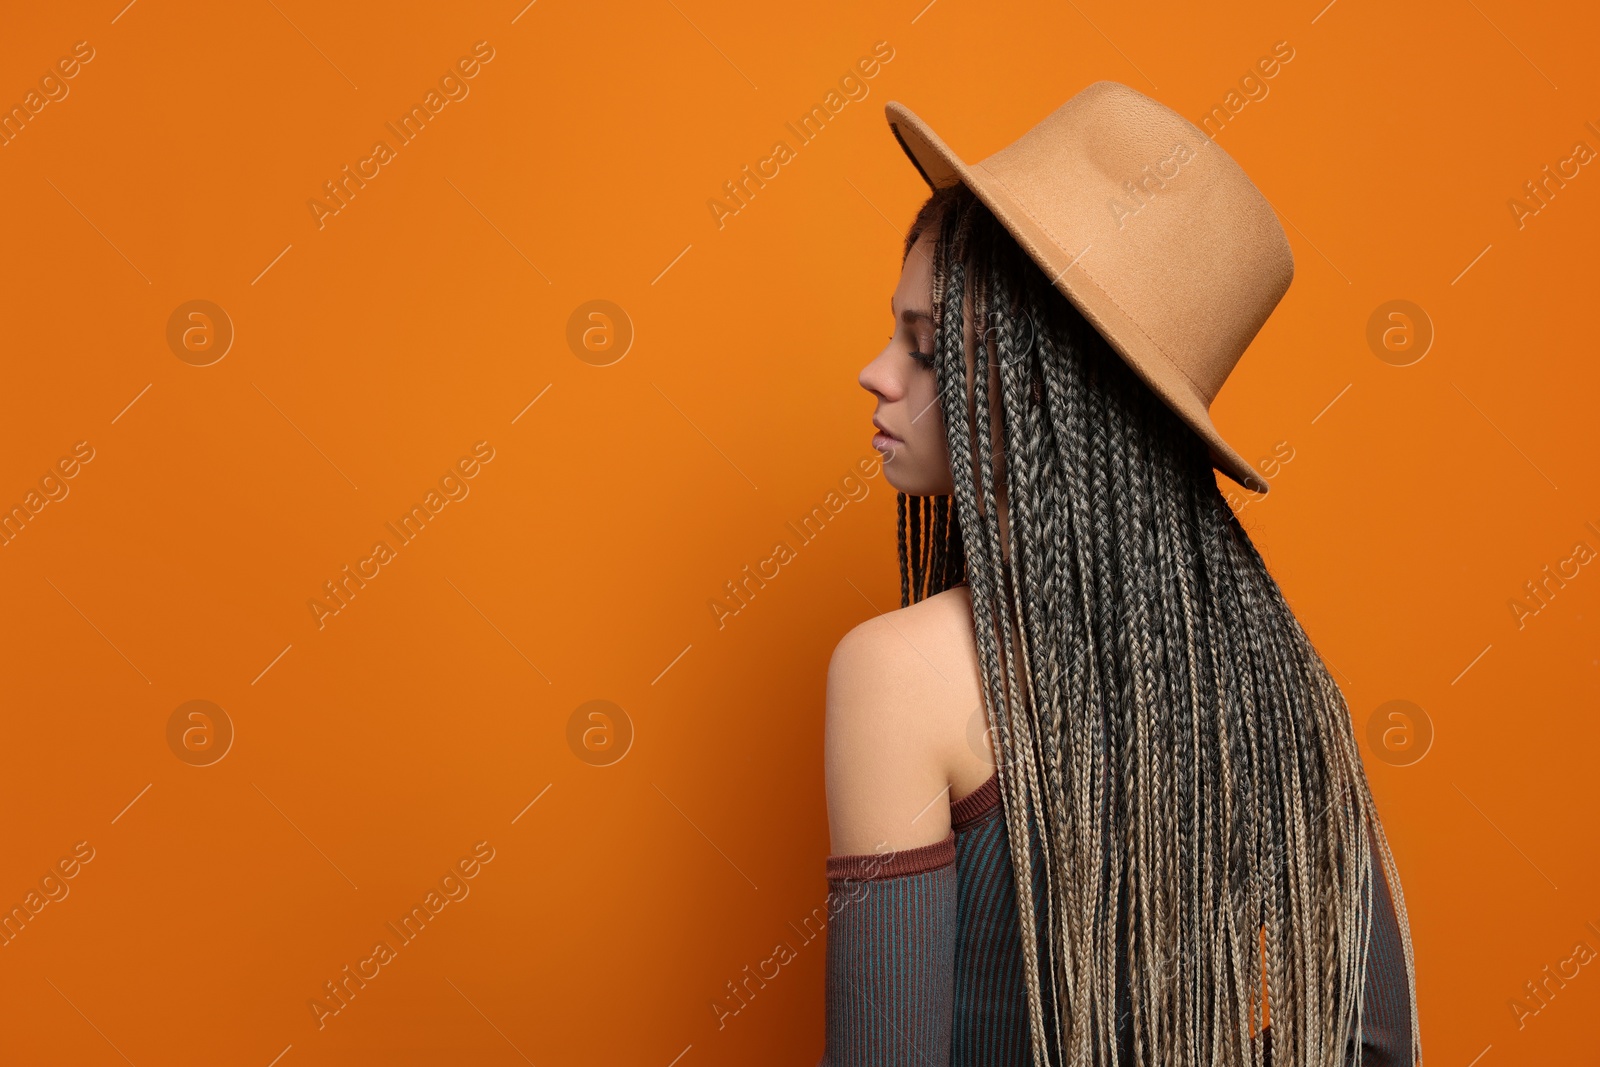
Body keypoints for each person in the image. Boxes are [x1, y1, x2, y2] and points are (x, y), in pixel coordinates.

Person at [820, 83, 1422, 1066]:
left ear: (1052, 380)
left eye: (925, 349)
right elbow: (1371, 1047)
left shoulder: (896, 672)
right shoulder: (1286, 683)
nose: (877, 373)